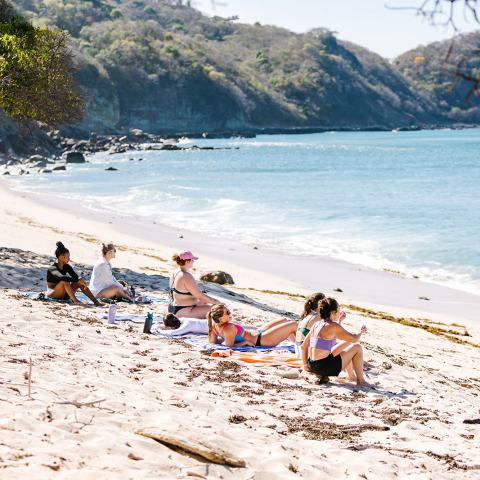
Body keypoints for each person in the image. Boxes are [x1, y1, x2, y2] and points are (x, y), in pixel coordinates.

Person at [301, 297, 370, 386]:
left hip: (312, 364)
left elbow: (304, 346)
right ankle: (361, 381)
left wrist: (306, 366)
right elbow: (354, 338)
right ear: (333, 312)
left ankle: (351, 376)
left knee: (347, 345)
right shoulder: (333, 326)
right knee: (357, 347)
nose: (340, 312)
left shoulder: (317, 324)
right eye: (338, 309)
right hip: (323, 368)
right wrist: (361, 332)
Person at [208, 304, 297, 347]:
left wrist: (225, 338)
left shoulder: (214, 326)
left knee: (284, 320)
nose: (230, 313)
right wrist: (244, 342)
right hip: (261, 340)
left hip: (258, 332)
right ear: (220, 319)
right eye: (227, 312)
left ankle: (296, 344)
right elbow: (229, 346)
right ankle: (302, 347)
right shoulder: (228, 328)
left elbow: (213, 342)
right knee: (293, 325)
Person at [47, 241, 101, 306]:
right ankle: (75, 301)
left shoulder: (67, 266)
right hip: (53, 295)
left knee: (79, 282)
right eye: (68, 257)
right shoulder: (52, 268)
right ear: (61, 257)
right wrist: (77, 280)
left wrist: (80, 280)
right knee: (65, 281)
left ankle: (95, 301)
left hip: (64, 295)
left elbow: (75, 277)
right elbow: (61, 277)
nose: (69, 259)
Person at [168, 251, 220, 318]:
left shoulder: (175, 272)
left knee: (204, 302)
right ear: (187, 261)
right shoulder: (186, 276)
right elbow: (200, 296)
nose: (193, 261)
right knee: (219, 309)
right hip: (183, 311)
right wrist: (217, 302)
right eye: (192, 260)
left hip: (173, 308)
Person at [294, 292, 326, 358]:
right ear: (321, 303)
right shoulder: (319, 316)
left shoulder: (307, 314)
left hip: (298, 350)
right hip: (305, 354)